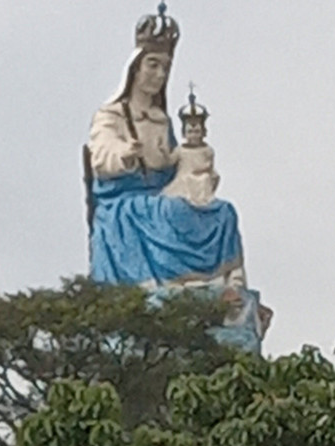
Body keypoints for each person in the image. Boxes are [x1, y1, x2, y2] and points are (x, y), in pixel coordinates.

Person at [87, 5, 245, 289]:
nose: (159, 74)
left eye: (165, 68)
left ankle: (228, 281)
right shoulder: (112, 114)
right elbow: (101, 153)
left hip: (166, 194)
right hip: (126, 203)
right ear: (136, 67)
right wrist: (124, 155)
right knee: (172, 212)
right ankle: (167, 285)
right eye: (153, 65)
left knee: (223, 212)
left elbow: (175, 163)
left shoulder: (162, 120)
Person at [162, 90, 221, 209]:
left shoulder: (207, 150)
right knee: (187, 180)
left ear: (203, 133)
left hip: (202, 178)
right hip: (185, 178)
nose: (193, 135)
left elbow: (209, 167)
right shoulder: (180, 150)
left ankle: (203, 202)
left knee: (205, 179)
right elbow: (168, 161)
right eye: (190, 132)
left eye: (197, 132)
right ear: (184, 134)